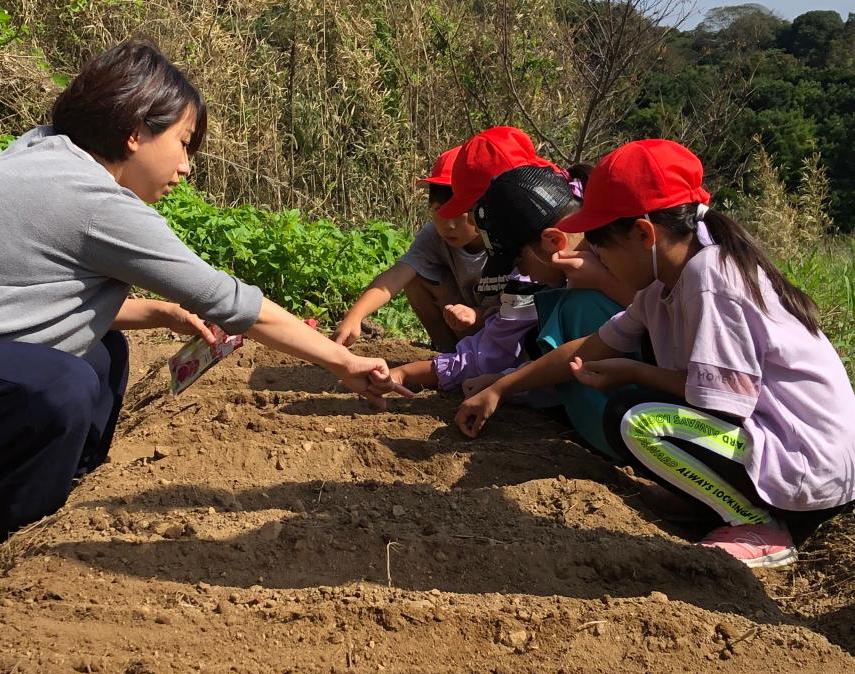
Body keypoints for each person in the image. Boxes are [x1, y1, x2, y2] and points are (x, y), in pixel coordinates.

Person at [0, 41, 407, 593]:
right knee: (60, 382)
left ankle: (47, 502)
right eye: (183, 143)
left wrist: (146, 311)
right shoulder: (95, 201)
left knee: (101, 351)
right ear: (135, 134)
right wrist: (343, 362)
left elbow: (9, 290)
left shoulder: (46, 150)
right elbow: (230, 301)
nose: (185, 166)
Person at [457, 139, 855, 568]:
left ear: (644, 234)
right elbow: (590, 348)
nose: (595, 257)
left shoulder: (710, 278)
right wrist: (502, 387)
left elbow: (718, 397)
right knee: (636, 413)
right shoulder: (663, 285)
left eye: (600, 245)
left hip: (808, 464)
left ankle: (759, 526)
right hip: (784, 447)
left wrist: (633, 371)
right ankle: (711, 500)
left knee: (641, 419)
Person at [379, 163, 632, 408]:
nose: (520, 272)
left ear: (553, 240)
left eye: (518, 261)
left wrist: (508, 384)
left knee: (575, 307)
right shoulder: (569, 262)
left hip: (642, 408)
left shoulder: (614, 258)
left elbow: (616, 335)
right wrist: (507, 383)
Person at [332, 147, 493, 352]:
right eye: (439, 211)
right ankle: (447, 353)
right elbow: (396, 276)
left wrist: (477, 315)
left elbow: (516, 311)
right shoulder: (434, 235)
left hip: (502, 327)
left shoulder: (502, 240)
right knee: (415, 277)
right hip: (462, 319)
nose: (448, 224)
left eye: (459, 212)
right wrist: (353, 317)